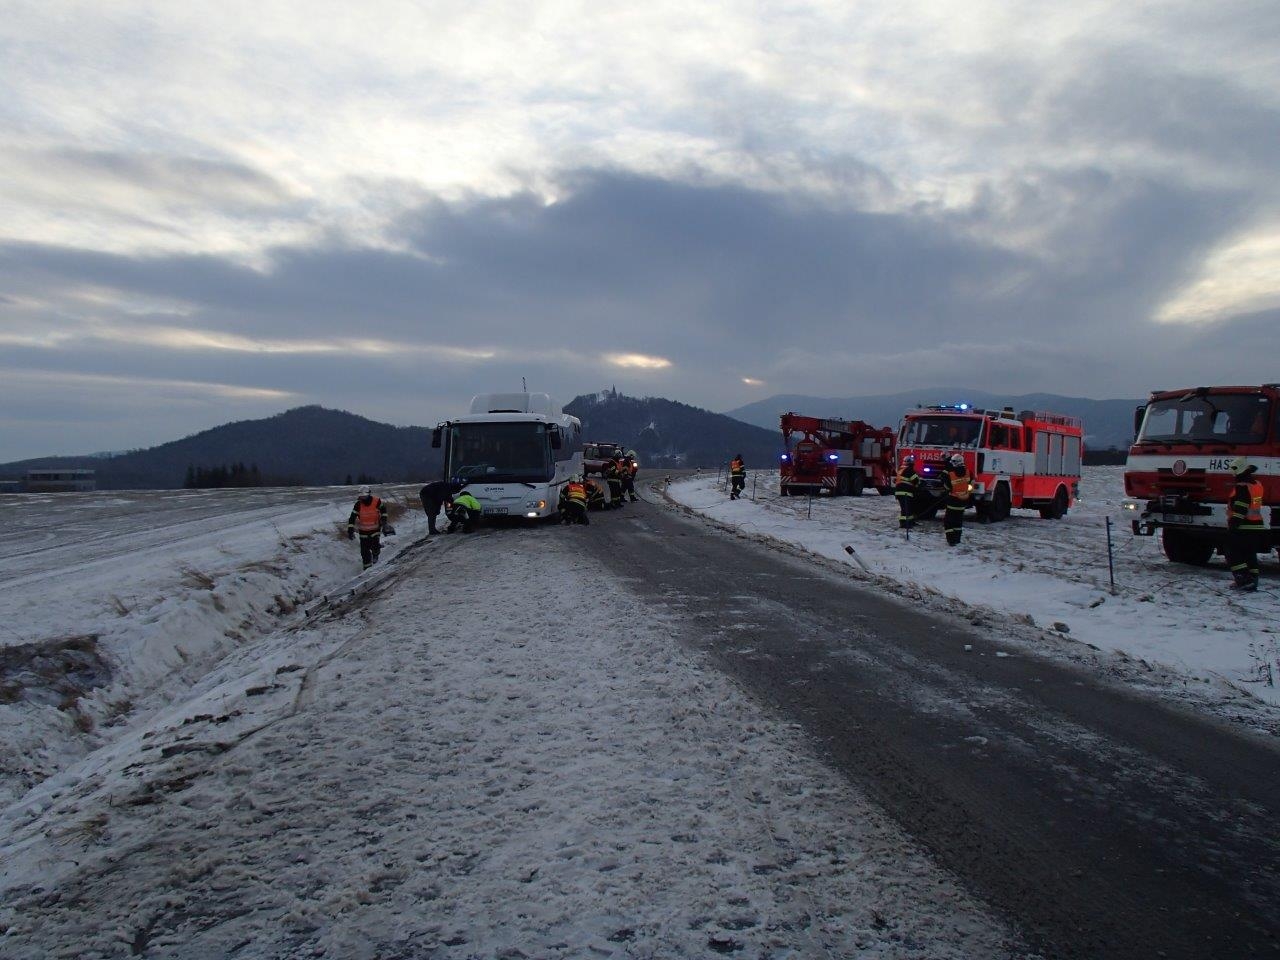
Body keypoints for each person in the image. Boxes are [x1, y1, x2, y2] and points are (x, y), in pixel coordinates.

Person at [1226, 457, 1264, 591]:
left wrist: (1233, 523)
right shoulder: (1256, 484)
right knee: (1249, 554)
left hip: (1243, 526)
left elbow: (1241, 507)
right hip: (1256, 525)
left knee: (1232, 553)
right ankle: (1253, 580)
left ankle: (1243, 579)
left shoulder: (1242, 487)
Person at [347, 485, 389, 569]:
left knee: (375, 546)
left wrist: (384, 521)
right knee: (364, 552)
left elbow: (384, 511)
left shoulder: (377, 501)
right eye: (361, 497)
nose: (363, 498)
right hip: (363, 532)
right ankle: (367, 569)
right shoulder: (358, 504)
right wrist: (350, 529)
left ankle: (375, 555)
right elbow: (352, 517)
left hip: (375, 529)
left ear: (369, 494)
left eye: (364, 496)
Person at [941, 453, 971, 547]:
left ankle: (951, 540)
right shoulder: (967, 472)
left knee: (948, 522)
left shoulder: (951, 474)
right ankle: (957, 539)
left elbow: (947, 487)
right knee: (958, 521)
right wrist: (966, 493)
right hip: (963, 502)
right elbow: (970, 485)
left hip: (953, 501)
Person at [894, 455, 921, 530]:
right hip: (905, 492)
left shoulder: (901, 469)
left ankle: (910, 521)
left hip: (900, 492)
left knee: (908, 508)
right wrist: (920, 485)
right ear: (911, 463)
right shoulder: (909, 470)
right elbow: (915, 480)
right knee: (906, 509)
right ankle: (904, 524)